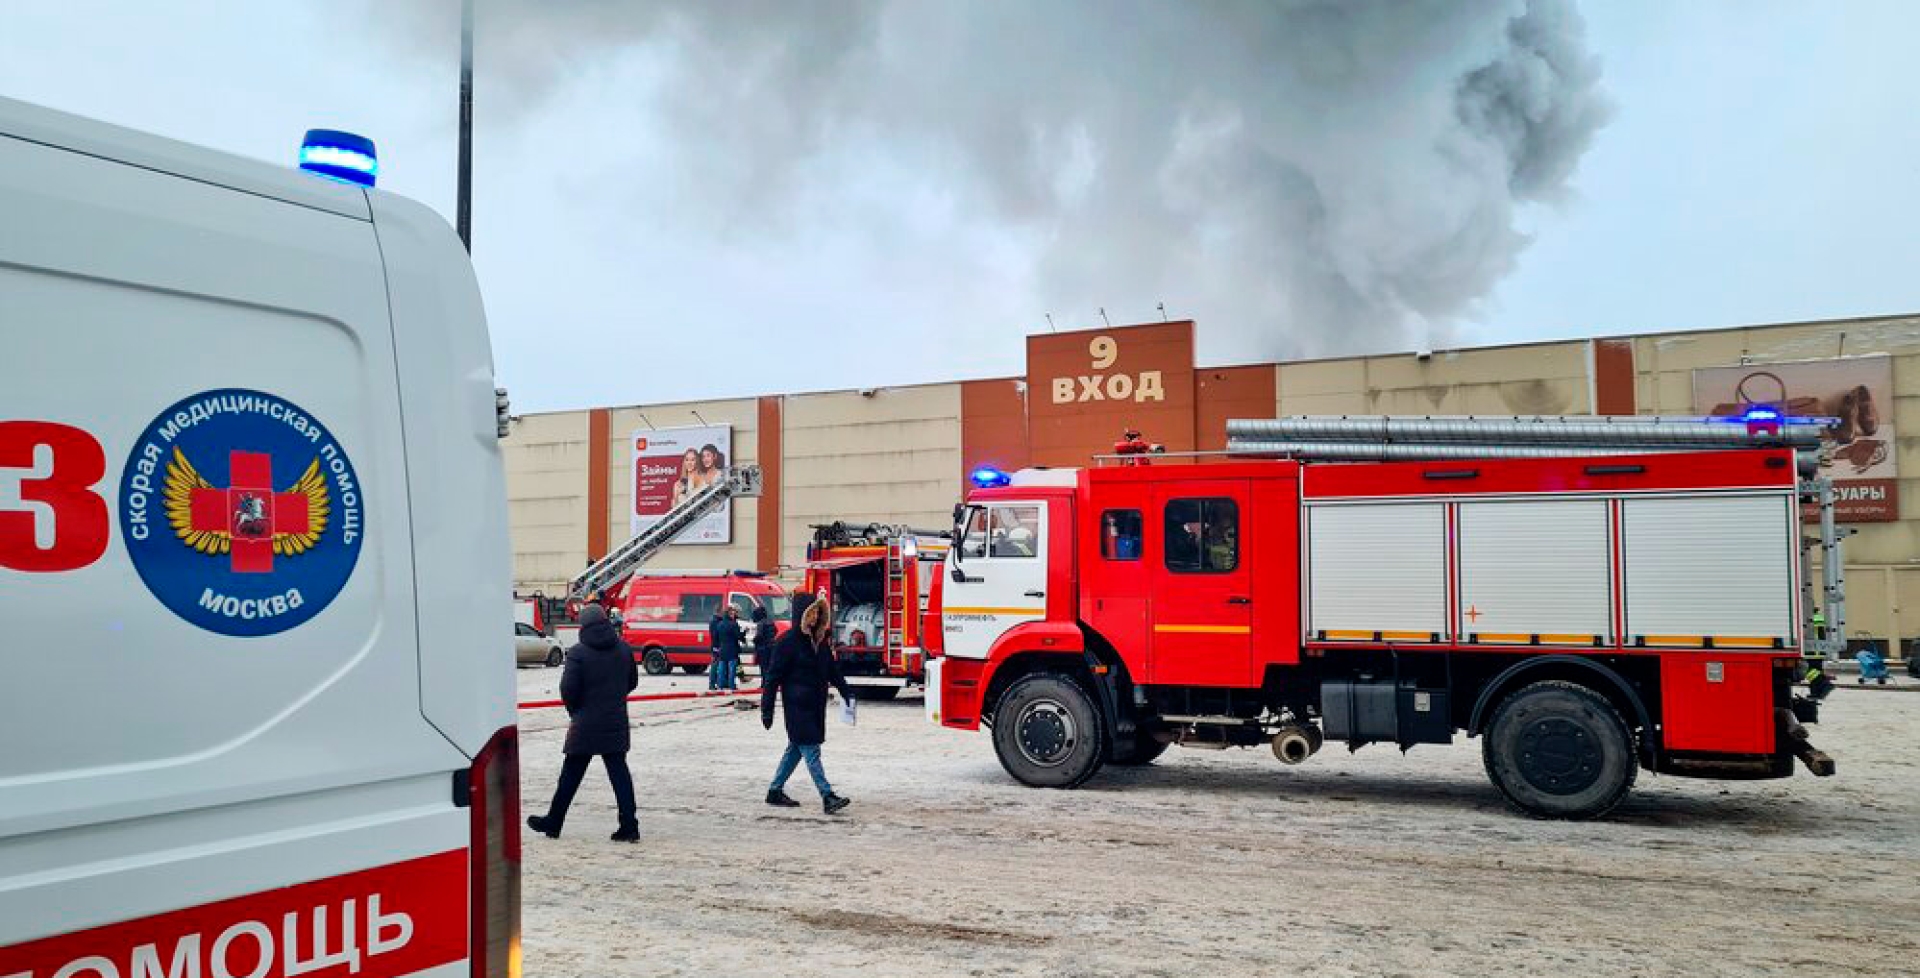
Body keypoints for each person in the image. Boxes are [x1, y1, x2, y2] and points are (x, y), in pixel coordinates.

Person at [527, 603, 640, 842]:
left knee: (570, 775)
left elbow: (568, 689)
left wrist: (576, 710)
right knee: (620, 775)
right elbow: (632, 682)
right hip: (615, 719)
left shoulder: (579, 652)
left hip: (585, 722)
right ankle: (629, 825)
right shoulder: (623, 649)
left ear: (583, 625)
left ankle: (554, 822)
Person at [761, 594, 853, 814]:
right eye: (809, 613)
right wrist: (767, 710)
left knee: (795, 749)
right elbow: (772, 679)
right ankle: (827, 795)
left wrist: (846, 691)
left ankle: (775, 790)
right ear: (800, 615)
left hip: (815, 706)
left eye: (816, 613)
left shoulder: (820, 642)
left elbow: (832, 670)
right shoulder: (787, 643)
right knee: (811, 750)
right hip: (797, 707)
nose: (814, 617)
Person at [711, 605, 745, 691]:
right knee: (732, 668)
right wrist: (744, 633)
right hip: (732, 649)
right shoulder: (733, 624)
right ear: (730, 614)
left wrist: (717, 647)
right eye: (733, 613)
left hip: (722, 648)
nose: (734, 614)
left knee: (721, 668)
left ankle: (720, 685)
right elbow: (738, 636)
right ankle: (731, 685)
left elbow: (716, 637)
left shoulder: (720, 624)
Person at [750, 603, 777, 677]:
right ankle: (768, 681)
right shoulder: (770, 621)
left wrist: (754, 640)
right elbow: (775, 630)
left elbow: (759, 635)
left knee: (763, 666)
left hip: (763, 648)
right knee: (769, 666)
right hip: (771, 646)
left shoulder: (760, 623)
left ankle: (764, 683)